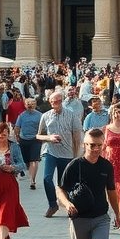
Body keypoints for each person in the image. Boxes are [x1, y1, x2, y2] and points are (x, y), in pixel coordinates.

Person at [58, 128, 120, 239]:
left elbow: (112, 191)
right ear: (84, 145)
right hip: (79, 219)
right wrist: (67, 204)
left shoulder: (106, 166)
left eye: (99, 145)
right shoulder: (74, 165)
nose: (96, 149)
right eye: (92, 145)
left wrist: (117, 213)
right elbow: (60, 189)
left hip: (101, 218)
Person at [41, 89, 84, 218]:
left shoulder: (71, 115)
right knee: (47, 178)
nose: (57, 104)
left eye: (59, 101)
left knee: (63, 183)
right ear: (50, 103)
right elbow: (38, 135)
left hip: (67, 153)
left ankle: (68, 205)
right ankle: (52, 204)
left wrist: (76, 156)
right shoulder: (46, 116)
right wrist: (49, 138)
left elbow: (77, 137)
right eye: (54, 102)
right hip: (51, 152)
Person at [14, 97, 43, 189]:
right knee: (26, 162)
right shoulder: (22, 116)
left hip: (35, 140)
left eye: (32, 104)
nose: (30, 106)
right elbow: (17, 127)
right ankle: (29, 174)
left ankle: (32, 181)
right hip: (24, 140)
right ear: (25, 105)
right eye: (28, 104)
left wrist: (42, 136)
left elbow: (43, 127)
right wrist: (17, 136)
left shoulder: (39, 115)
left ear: (35, 105)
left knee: (34, 160)